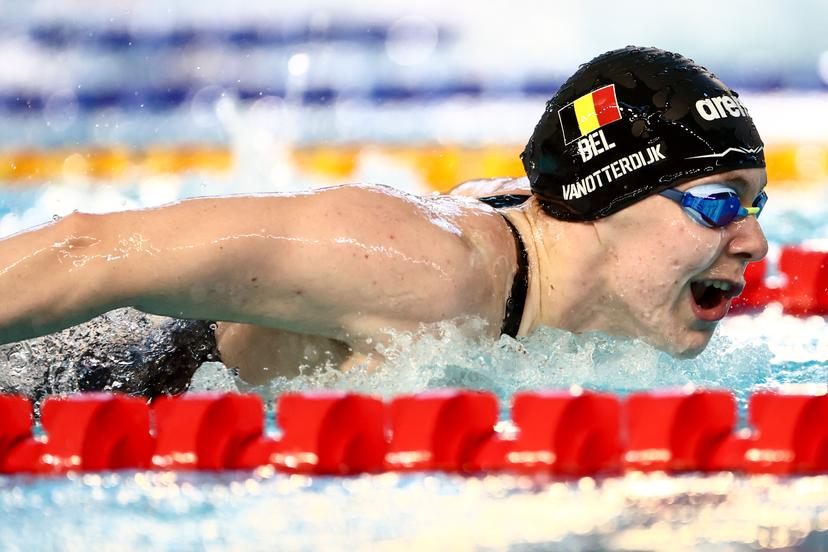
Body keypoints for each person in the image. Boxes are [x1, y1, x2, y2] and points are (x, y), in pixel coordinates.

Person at [0, 46, 768, 396]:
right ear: (608, 201)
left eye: (755, 205)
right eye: (720, 203)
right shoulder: (418, 268)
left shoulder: (556, 252)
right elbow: (90, 248)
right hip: (87, 378)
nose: (755, 241)